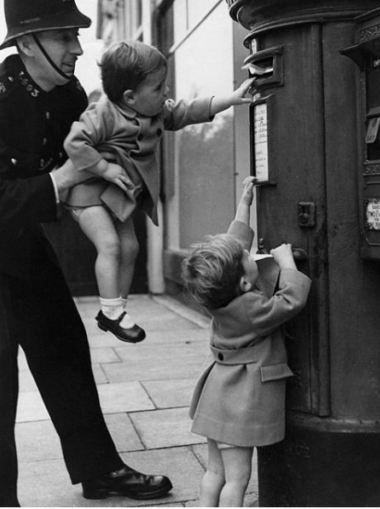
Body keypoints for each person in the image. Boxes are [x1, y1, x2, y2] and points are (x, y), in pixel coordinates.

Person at [0, 0, 172, 505]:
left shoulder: (68, 95)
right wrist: (59, 180)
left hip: (17, 230)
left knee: (63, 342)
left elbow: (96, 157)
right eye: (63, 36)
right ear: (26, 42)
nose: (77, 48)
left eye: (76, 35)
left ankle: (99, 470)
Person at [62, 41, 254, 343]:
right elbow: (74, 144)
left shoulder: (155, 112)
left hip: (117, 195)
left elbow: (188, 111)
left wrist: (230, 99)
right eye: (159, 87)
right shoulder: (102, 115)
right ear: (130, 96)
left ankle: (115, 310)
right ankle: (111, 311)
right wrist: (103, 168)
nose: (166, 92)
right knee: (110, 245)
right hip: (87, 192)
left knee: (131, 247)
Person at [181, 176, 311, 507]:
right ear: (242, 282)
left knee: (214, 473)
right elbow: (291, 301)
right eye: (248, 258)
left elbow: (233, 248)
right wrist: (287, 263)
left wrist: (245, 203)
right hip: (241, 403)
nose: (252, 255)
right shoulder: (252, 307)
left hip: (217, 396)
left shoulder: (214, 298)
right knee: (237, 480)